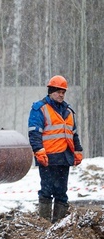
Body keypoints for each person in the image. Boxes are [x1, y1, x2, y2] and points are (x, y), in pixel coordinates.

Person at [28, 75, 83, 222]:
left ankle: (59, 225)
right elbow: (34, 133)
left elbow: (73, 134)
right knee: (46, 191)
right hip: (48, 157)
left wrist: (78, 151)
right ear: (51, 91)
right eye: (58, 92)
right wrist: (39, 151)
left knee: (61, 193)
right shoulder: (40, 109)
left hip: (64, 157)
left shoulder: (68, 111)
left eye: (63, 92)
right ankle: (44, 224)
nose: (61, 95)